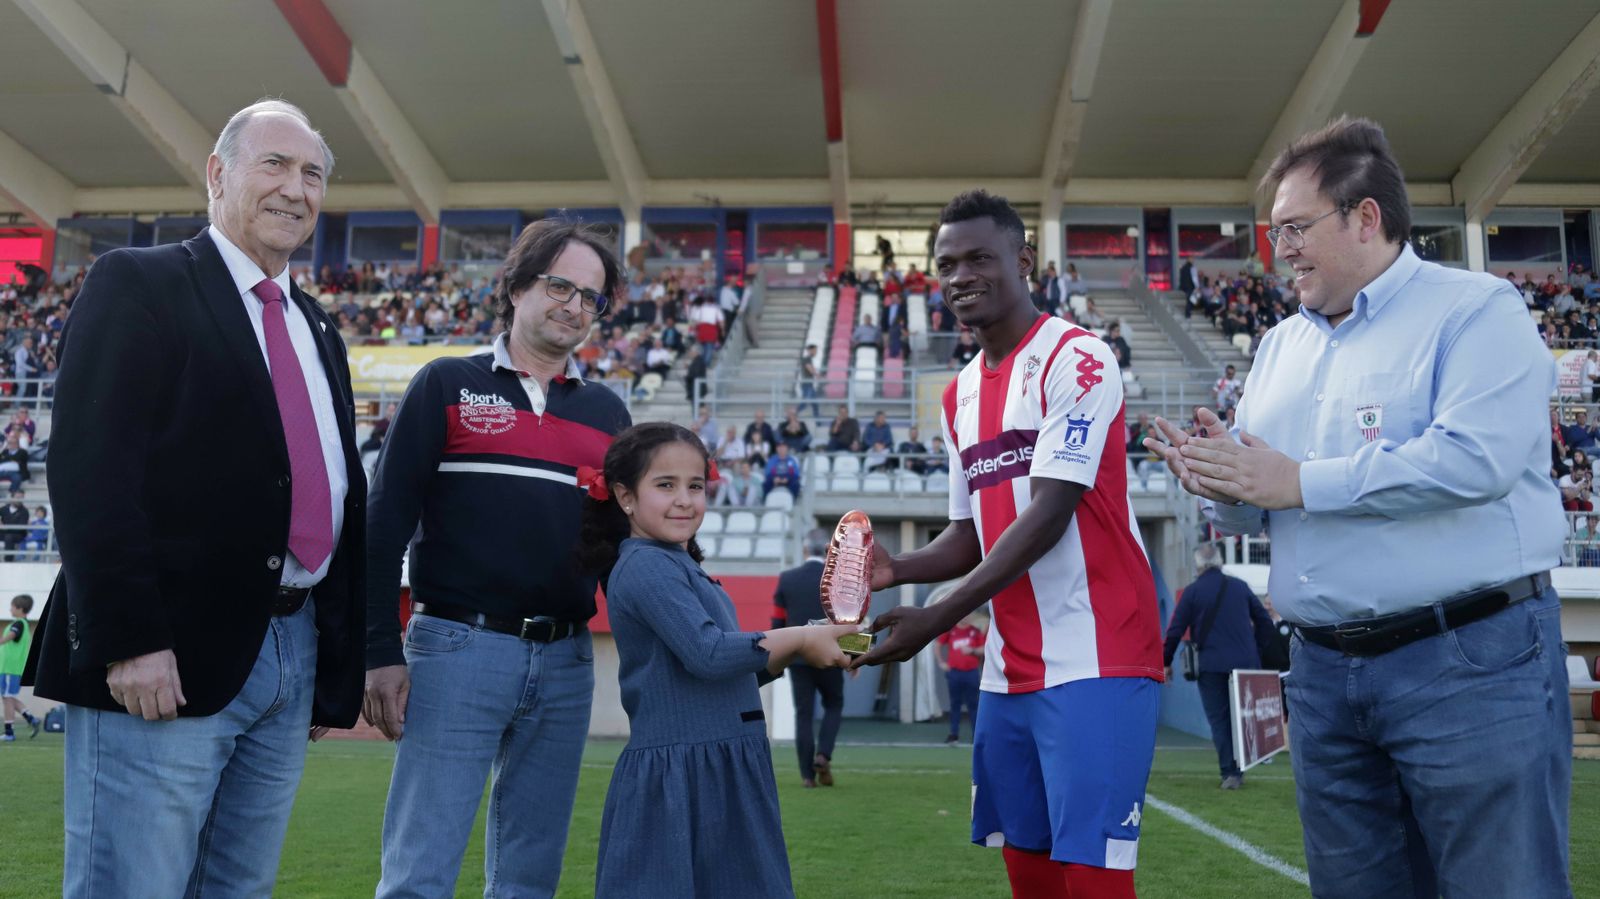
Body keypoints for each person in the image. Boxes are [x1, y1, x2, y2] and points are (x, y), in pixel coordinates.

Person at [1146, 116, 1571, 898]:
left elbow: (1476, 459)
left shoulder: (1476, 309)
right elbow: (1265, 504)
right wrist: (1223, 480)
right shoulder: (1278, 348)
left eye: (1296, 227)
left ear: (1366, 216)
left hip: (1469, 661)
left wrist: (1294, 480)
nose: (1281, 250)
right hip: (1325, 675)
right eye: (1273, 233)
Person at [23, 99, 367, 898]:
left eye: (312, 173)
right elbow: (89, 467)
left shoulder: (318, 328)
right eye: (274, 164)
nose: (296, 187)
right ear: (217, 174)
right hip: (161, 656)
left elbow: (340, 495)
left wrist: (332, 661)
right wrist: (130, 637)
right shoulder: (139, 281)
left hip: (289, 651)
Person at [856, 190, 1161, 899]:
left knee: (1091, 877)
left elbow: (1050, 512)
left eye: (979, 258)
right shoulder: (959, 391)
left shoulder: (1077, 358)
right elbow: (970, 532)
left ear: (1024, 260)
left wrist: (937, 614)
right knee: (1027, 869)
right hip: (1008, 666)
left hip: (1098, 653)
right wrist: (897, 568)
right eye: (946, 263)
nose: (960, 274)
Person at [363, 217, 631, 898]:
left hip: (569, 661)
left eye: (590, 297)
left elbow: (630, 547)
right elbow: (383, 523)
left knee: (529, 877)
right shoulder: (446, 384)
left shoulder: (608, 413)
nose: (574, 306)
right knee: (419, 873)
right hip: (457, 647)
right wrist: (376, 649)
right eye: (560, 285)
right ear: (516, 286)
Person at [576, 422, 855, 897]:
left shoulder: (679, 564)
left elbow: (725, 673)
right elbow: (707, 655)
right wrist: (798, 640)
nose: (684, 499)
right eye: (665, 485)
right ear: (625, 497)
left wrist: (815, 645)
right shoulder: (646, 564)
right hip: (684, 774)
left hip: (720, 764)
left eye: (695, 486)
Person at [1161, 544, 1275, 789]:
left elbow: (1175, 631)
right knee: (1244, 718)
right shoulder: (1240, 587)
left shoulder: (1192, 592)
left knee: (1219, 719)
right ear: (1221, 562)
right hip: (1245, 663)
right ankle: (1241, 769)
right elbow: (1265, 623)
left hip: (1211, 664)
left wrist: (1165, 662)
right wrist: (1256, 650)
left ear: (1197, 566)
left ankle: (1229, 773)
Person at [773, 529, 846, 787]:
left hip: (797, 657)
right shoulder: (838, 580)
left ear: (805, 550)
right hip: (831, 654)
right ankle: (823, 754)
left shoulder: (787, 579)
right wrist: (852, 657)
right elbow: (849, 622)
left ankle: (807, 776)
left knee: (803, 715)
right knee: (834, 705)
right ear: (828, 551)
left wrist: (778, 661)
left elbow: (777, 623)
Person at [936, 609, 986, 745]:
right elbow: (938, 644)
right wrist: (941, 662)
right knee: (955, 704)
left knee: (973, 705)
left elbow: (984, 648)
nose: (965, 617)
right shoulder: (951, 630)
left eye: (968, 615)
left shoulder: (975, 631)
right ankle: (954, 735)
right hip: (954, 672)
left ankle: (976, 736)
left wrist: (973, 650)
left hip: (971, 673)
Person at [0, 594, 40, 740]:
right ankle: (31, 718)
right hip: (8, 668)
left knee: (8, 699)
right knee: (7, 698)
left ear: (20, 608)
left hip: (11, 668)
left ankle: (9, 733)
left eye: (12, 606)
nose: (10, 608)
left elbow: (9, 637)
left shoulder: (18, 624)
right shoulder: (20, 624)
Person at [799, 344, 822, 417]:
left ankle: (818, 423)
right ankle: (791, 417)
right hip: (807, 384)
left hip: (809, 384)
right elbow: (810, 369)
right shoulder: (806, 359)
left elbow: (811, 369)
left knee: (815, 404)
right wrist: (817, 375)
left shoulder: (809, 359)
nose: (816, 352)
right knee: (805, 403)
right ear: (811, 350)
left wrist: (817, 374)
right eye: (815, 350)